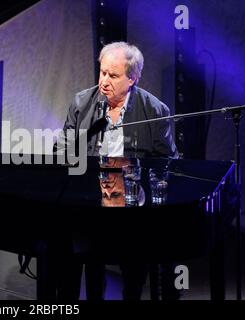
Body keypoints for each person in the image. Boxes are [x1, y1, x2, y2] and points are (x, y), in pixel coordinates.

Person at [60, 41, 178, 300]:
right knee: (76, 260)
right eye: (102, 72)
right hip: (88, 204)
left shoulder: (155, 111)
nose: (104, 81)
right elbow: (63, 151)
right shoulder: (82, 103)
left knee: (133, 274)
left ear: (133, 78)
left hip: (133, 210)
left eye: (113, 75)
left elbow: (166, 163)